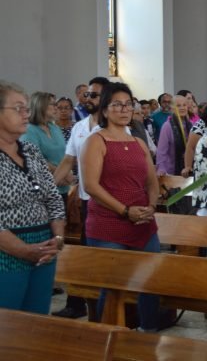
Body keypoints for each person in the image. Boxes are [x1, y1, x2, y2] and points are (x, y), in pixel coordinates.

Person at [81, 82, 160, 332]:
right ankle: (107, 339)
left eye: (128, 104)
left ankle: (148, 333)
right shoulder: (96, 141)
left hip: (143, 222)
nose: (124, 109)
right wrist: (125, 211)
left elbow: (152, 182)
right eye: (117, 104)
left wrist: (151, 205)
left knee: (152, 281)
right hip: (108, 223)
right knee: (112, 285)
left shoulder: (138, 142)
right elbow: (91, 186)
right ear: (104, 110)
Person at [0, 81, 66, 314]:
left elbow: (54, 198)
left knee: (36, 323)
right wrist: (24, 250)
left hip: (45, 252)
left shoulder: (30, 150)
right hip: (6, 256)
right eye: (18, 108)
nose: (26, 114)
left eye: (26, 108)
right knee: (8, 328)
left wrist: (57, 238)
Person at [51, 76, 111, 319]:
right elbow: (67, 161)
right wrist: (50, 189)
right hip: (88, 202)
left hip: (108, 204)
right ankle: (77, 304)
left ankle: (103, 312)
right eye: (87, 94)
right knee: (84, 255)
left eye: (94, 95)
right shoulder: (79, 127)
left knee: (101, 259)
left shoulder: (115, 129)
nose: (89, 98)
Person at [21, 92, 71, 205]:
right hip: (43, 189)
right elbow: (33, 159)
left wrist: (68, 173)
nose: (56, 107)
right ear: (40, 106)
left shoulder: (54, 127)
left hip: (63, 187)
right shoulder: (30, 130)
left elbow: (64, 154)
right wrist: (60, 174)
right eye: (52, 104)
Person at [155, 95, 193, 176]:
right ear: (172, 108)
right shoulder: (167, 126)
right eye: (178, 105)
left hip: (189, 169)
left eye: (184, 105)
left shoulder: (191, 125)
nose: (182, 108)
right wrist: (161, 168)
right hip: (172, 170)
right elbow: (161, 151)